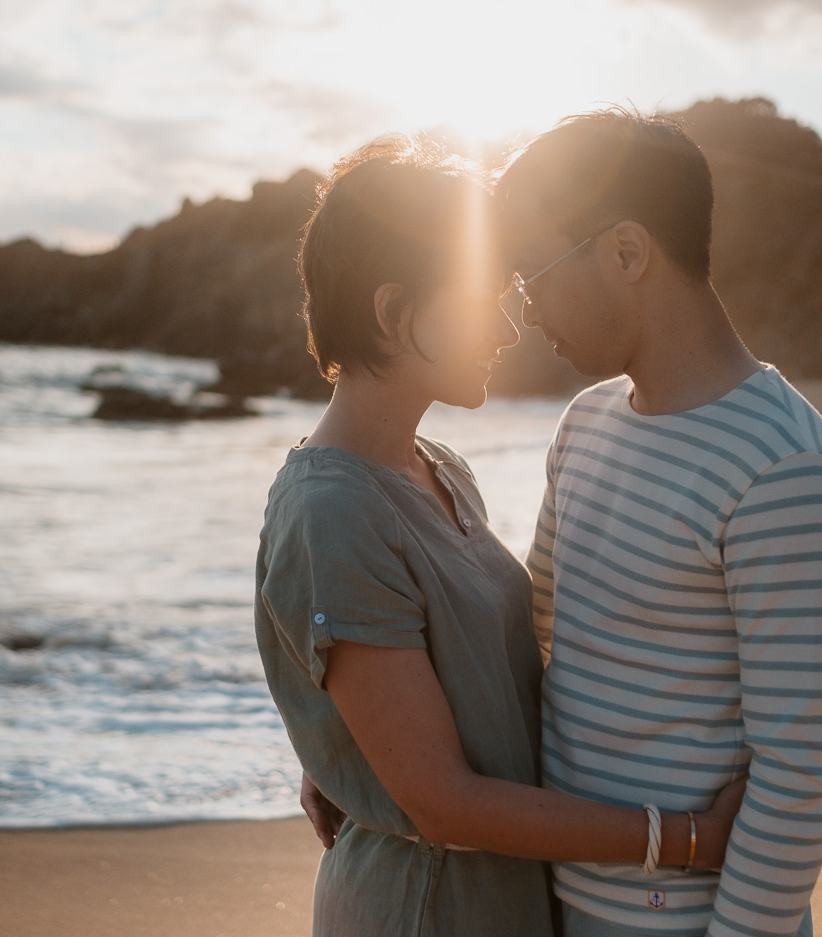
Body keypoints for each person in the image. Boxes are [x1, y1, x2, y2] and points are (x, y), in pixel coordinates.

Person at [254, 136, 747, 937]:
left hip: (496, 898)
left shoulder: (438, 470)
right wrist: (690, 840)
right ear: (391, 310)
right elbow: (443, 801)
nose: (509, 328)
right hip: (426, 909)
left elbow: (481, 685)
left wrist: (352, 753)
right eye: (483, 294)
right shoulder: (331, 510)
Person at [494, 108, 822, 937]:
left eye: (533, 273)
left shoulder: (782, 467)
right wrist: (366, 749)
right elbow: (532, 637)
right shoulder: (585, 425)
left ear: (627, 252)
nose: (524, 311)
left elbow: (801, 778)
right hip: (556, 904)